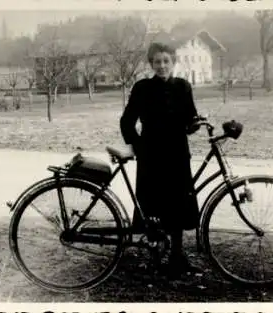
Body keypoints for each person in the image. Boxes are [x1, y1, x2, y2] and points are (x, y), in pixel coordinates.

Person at [120, 42, 201, 278]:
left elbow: (189, 123)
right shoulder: (142, 88)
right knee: (153, 207)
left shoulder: (183, 87)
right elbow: (127, 121)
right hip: (152, 156)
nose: (162, 66)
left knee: (178, 204)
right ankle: (155, 257)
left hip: (177, 154)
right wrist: (138, 147)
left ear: (173, 62)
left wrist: (196, 123)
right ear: (151, 64)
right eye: (157, 62)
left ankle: (177, 256)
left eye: (166, 61)